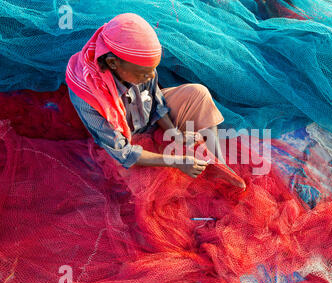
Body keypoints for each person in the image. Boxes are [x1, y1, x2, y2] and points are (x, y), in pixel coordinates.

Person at [66, 13, 235, 181]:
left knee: (198, 93)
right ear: (112, 63)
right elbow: (124, 153)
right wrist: (176, 161)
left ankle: (218, 163)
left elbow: (156, 102)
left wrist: (173, 132)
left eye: (153, 69)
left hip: (147, 120)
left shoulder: (140, 68)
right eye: (143, 73)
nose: (151, 76)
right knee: (143, 183)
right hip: (122, 142)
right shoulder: (88, 96)